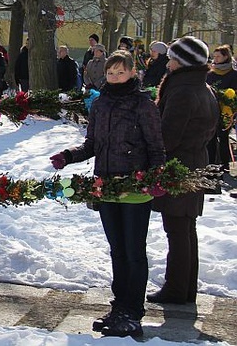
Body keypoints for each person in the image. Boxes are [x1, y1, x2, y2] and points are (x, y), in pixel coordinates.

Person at [50, 50, 165, 337]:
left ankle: (133, 310)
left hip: (135, 189)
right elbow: (91, 145)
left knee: (133, 251)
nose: (114, 77)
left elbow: (155, 146)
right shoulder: (100, 104)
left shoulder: (143, 104)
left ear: (132, 73)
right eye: (111, 73)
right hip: (107, 187)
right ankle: (119, 306)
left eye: (120, 72)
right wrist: (68, 155)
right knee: (117, 251)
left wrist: (157, 177)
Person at [148, 36, 220, 305]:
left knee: (177, 229)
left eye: (173, 57)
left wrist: (151, 153)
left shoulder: (183, 91)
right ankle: (185, 287)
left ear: (184, 61)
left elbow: (168, 136)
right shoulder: (203, 88)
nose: (169, 61)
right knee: (186, 228)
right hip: (194, 162)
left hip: (180, 166)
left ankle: (177, 289)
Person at [206, 44, 237, 174]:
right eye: (215, 56)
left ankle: (225, 164)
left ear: (225, 57)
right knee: (211, 138)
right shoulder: (211, 73)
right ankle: (212, 164)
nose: (216, 59)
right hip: (212, 109)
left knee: (224, 137)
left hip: (226, 110)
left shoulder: (233, 74)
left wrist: (227, 98)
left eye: (218, 56)